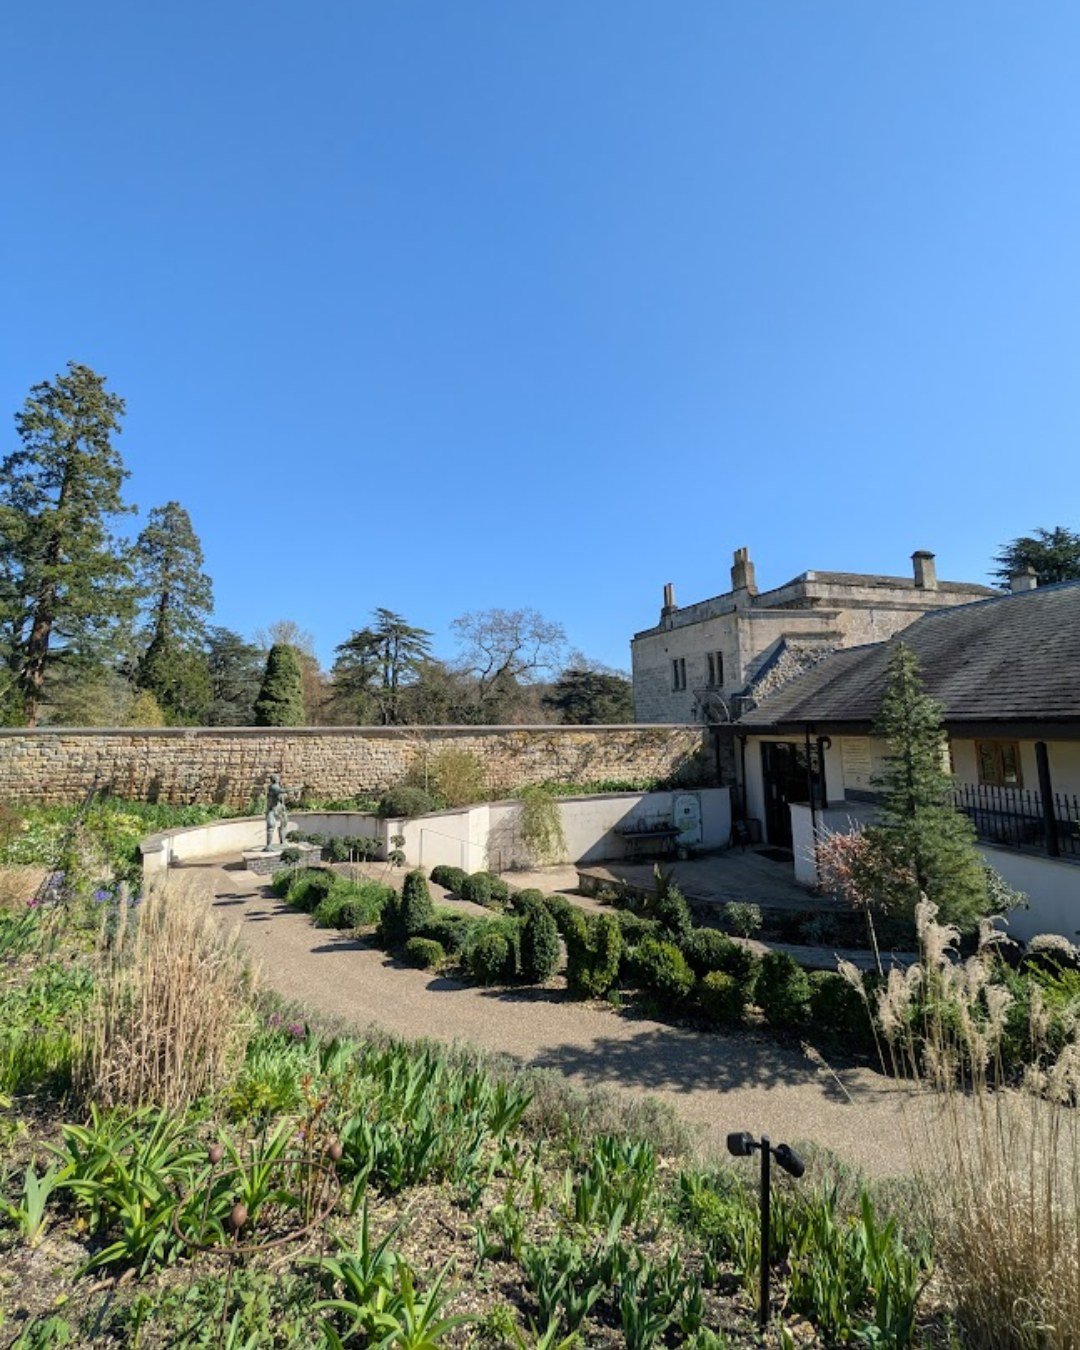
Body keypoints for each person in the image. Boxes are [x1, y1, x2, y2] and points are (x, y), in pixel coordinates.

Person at [264, 773, 299, 850]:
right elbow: (282, 791)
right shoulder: (272, 787)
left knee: (284, 823)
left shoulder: (278, 787)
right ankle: (268, 845)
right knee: (271, 825)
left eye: (277, 778)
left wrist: (293, 795)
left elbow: (283, 799)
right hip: (271, 810)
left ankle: (283, 841)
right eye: (276, 778)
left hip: (279, 809)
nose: (277, 779)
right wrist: (294, 788)